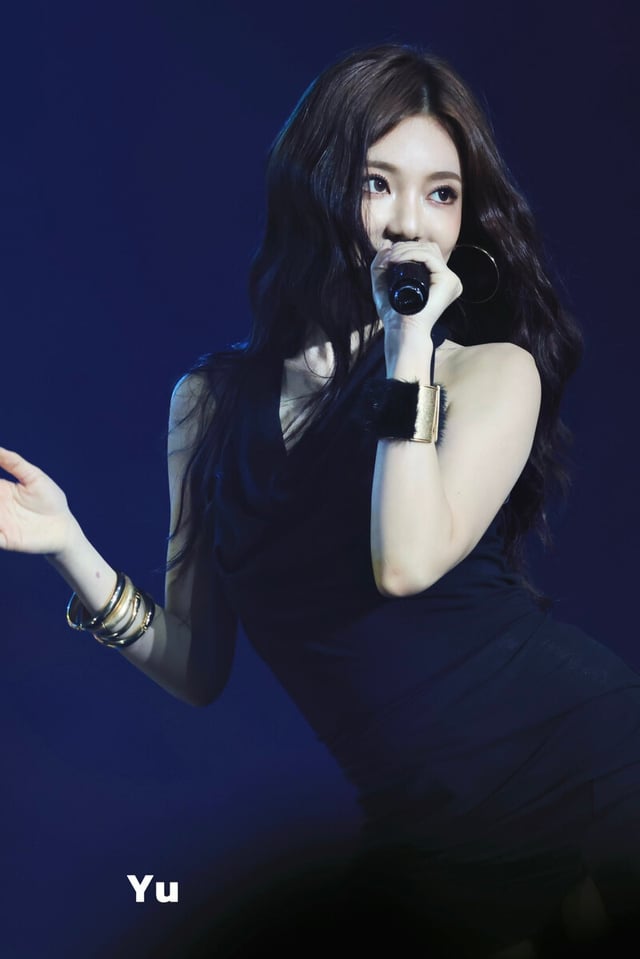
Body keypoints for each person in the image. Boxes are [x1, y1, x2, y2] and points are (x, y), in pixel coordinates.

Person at [1, 43, 638, 957]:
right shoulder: (211, 403)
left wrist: (408, 343)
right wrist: (69, 542)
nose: (410, 222)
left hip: (592, 772)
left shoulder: (490, 373)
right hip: (424, 832)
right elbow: (195, 665)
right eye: (378, 183)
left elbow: (404, 560)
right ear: (319, 184)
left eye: (442, 193)